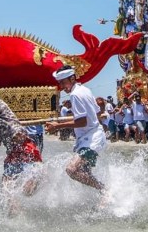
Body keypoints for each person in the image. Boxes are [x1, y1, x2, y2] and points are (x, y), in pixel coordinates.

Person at [45, 65, 107, 193]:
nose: (62, 86)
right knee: (84, 172)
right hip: (92, 137)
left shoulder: (75, 95)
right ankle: (102, 194)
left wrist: (58, 126)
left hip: (91, 140)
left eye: (63, 82)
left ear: (72, 78)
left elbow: (82, 121)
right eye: (60, 83)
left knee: (71, 169)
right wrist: (58, 122)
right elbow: (95, 113)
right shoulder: (85, 90)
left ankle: (104, 189)